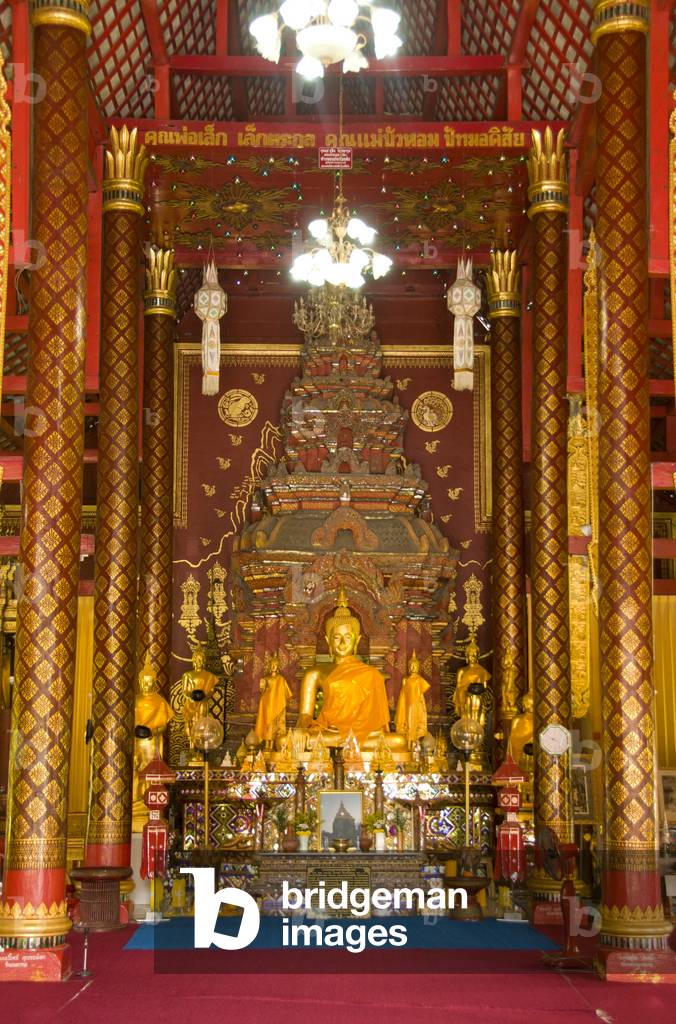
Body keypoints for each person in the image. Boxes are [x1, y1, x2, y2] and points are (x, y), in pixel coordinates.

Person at [297, 589, 405, 751]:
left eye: (348, 637)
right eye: (336, 637)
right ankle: (344, 742)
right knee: (287, 741)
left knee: (398, 741)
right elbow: (305, 714)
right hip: (329, 731)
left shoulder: (371, 674)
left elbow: (378, 723)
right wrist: (303, 730)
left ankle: (345, 742)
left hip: (363, 734)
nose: (342, 643)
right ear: (328, 641)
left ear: (357, 640)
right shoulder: (315, 673)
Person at [178, 644, 218, 744]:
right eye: (197, 659)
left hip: (203, 702)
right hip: (191, 703)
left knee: (201, 722)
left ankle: (200, 745)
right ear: (194, 660)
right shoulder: (188, 675)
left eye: (201, 660)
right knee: (191, 722)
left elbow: (211, 691)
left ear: (204, 661)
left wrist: (204, 696)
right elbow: (185, 690)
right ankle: (191, 745)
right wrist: (192, 696)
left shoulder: (209, 675)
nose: (199, 662)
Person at [253, 652, 292, 749]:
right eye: (272, 665)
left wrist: (283, 701)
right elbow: (263, 691)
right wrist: (262, 685)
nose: (274, 666)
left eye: (276, 665)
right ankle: (266, 745)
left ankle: (273, 745)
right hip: (267, 705)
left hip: (276, 704)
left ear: (278, 666)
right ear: (270, 666)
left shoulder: (281, 679)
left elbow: (287, 693)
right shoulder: (266, 678)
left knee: (275, 725)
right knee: (267, 724)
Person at [394, 651, 430, 747]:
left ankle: (414, 745)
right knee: (407, 722)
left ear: (418, 667)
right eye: (411, 666)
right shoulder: (405, 679)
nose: (413, 668)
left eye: (415, 666)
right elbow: (403, 694)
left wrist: (421, 706)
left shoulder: (419, 679)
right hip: (407, 704)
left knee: (415, 723)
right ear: (409, 667)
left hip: (416, 704)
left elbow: (421, 695)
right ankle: (408, 745)